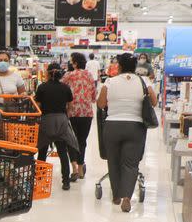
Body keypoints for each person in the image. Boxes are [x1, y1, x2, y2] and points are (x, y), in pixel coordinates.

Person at [97, 53, 157, 213]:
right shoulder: (144, 81)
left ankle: (116, 195)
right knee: (131, 164)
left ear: (120, 66)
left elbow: (101, 104)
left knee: (114, 161)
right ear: (136, 66)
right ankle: (126, 199)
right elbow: (154, 101)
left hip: (112, 126)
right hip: (135, 127)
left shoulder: (109, 81)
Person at [35, 63, 79, 191]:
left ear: (48, 73)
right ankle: (66, 182)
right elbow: (70, 105)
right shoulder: (65, 87)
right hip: (61, 120)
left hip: (46, 121)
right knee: (62, 152)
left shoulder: (42, 87)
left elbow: (37, 105)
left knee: (42, 152)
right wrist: (66, 115)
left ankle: (40, 180)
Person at [61, 52, 96, 180]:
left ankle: (74, 167)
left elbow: (61, 88)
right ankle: (81, 169)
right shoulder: (89, 75)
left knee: (71, 140)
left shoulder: (69, 75)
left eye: (71, 61)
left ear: (75, 63)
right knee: (82, 141)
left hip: (72, 112)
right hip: (86, 112)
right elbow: (93, 95)